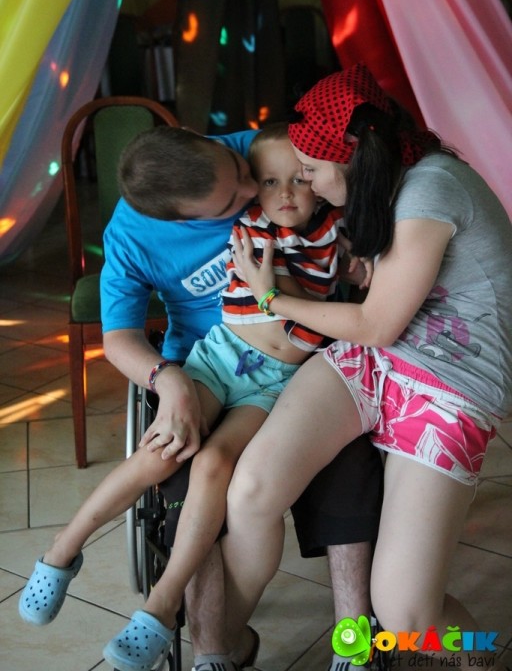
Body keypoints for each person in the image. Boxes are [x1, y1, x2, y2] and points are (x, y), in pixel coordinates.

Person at [18, 125, 383, 671]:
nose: (253, 191)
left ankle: (353, 642)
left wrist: (364, 254)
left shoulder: (262, 155)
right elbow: (119, 339)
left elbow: (339, 188)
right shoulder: (133, 236)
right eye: (234, 198)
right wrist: (168, 382)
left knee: (346, 462)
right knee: (173, 463)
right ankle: (202, 644)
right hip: (205, 362)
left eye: (243, 176)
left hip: (290, 373)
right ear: (182, 219)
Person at [220, 63, 512, 670]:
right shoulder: (388, 182)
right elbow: (380, 321)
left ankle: (482, 657)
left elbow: (376, 324)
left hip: (450, 386)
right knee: (252, 490)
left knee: (407, 620)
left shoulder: (430, 187)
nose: (304, 181)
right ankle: (219, 646)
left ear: (350, 156)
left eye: (311, 169)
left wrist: (269, 296)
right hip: (379, 358)